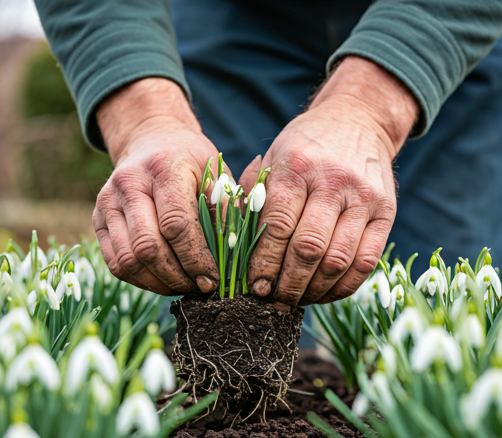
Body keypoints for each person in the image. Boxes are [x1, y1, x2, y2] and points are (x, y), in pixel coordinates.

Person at [34, 0, 502, 308]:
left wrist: (367, 110)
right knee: (202, 272)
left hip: (447, 22)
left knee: (428, 303)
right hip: (232, 20)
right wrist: (146, 119)